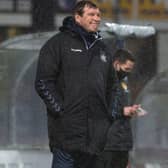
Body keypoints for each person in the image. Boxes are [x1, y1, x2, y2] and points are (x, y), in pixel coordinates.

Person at [35, 1, 120, 168]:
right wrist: (61, 111)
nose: (96, 19)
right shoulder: (57, 44)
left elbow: (114, 87)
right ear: (78, 17)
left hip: (96, 138)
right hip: (66, 135)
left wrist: (110, 115)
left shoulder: (103, 49)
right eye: (91, 15)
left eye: (98, 15)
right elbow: (43, 82)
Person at [93, 48, 141, 168]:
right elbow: (97, 108)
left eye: (130, 70)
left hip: (122, 142)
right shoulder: (102, 82)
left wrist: (130, 109)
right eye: (126, 69)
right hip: (107, 143)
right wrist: (122, 111)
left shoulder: (123, 84)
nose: (128, 73)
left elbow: (120, 106)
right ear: (116, 64)